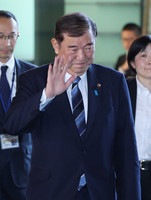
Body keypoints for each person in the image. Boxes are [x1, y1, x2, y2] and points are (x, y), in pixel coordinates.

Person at [4, 12, 141, 200]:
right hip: (51, 191)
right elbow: (12, 125)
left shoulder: (113, 81)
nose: (81, 56)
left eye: (88, 47)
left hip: (100, 191)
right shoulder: (34, 79)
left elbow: (126, 150)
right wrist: (47, 95)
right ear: (56, 45)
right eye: (73, 48)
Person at [0, 10, 37, 200]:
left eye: (12, 36)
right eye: (1, 36)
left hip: (22, 169)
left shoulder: (33, 75)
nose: (7, 43)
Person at [127, 35, 151, 200]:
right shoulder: (122, 91)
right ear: (133, 63)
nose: (150, 61)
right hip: (129, 172)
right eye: (144, 55)